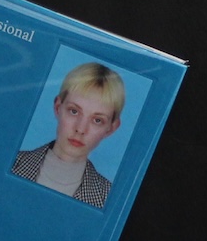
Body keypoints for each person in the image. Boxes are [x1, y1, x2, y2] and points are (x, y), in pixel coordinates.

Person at [12, 62, 125, 209]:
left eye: (97, 120)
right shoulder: (11, 163)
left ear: (111, 128)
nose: (80, 129)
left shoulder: (110, 199)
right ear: (58, 107)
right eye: (74, 111)